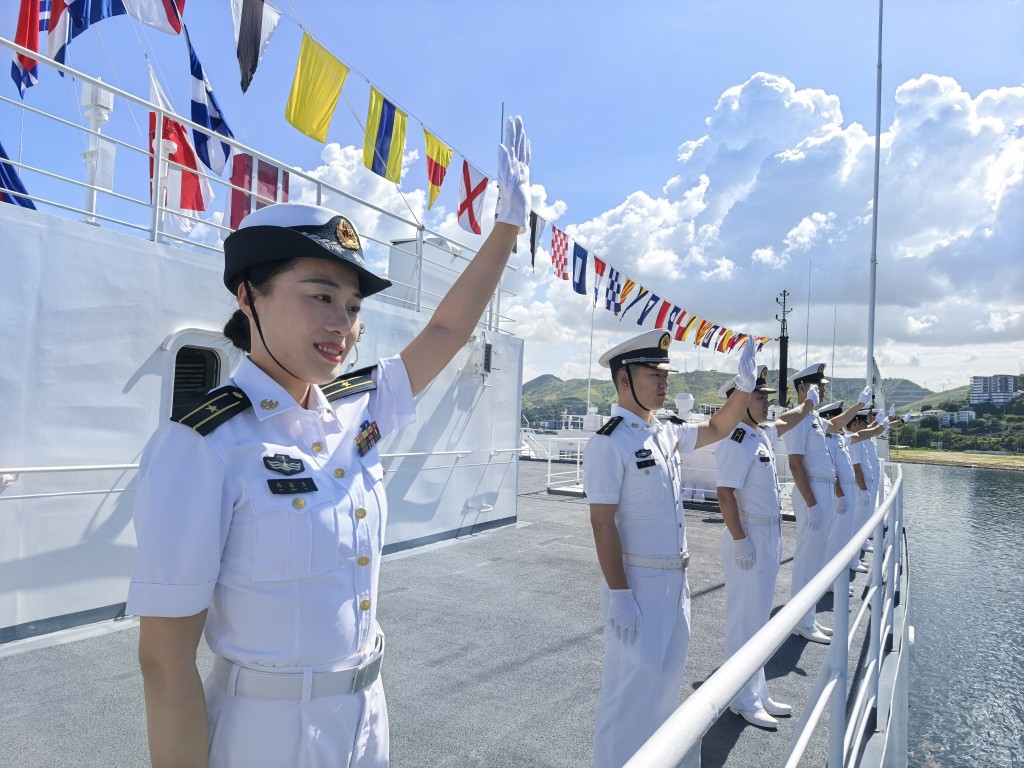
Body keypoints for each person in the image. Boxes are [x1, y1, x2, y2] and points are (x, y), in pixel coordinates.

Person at [126, 117, 531, 767]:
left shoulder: (355, 409)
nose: (342, 324)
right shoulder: (202, 444)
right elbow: (164, 661)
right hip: (267, 734)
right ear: (248, 297)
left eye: (353, 308)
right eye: (320, 297)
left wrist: (506, 229)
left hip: (366, 718)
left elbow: (447, 330)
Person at [583, 330, 756, 768]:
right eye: (653, 374)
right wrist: (619, 594)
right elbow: (602, 522)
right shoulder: (609, 442)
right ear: (624, 379)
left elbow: (718, 427)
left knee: (664, 687)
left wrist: (744, 388)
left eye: (665, 375)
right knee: (629, 693)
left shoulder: (666, 433)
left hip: (676, 581)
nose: (664, 383)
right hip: (637, 583)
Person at [714, 367, 815, 729]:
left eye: (767, 398)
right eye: (759, 397)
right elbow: (725, 493)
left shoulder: (760, 433)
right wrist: (740, 540)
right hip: (750, 536)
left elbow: (786, 421)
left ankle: (756, 690)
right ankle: (741, 698)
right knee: (745, 621)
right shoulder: (736, 439)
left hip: (769, 535)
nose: (767, 403)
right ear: (739, 401)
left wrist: (807, 405)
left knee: (758, 621)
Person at [783, 364, 871, 644]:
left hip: (823, 491)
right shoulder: (797, 419)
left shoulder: (813, 419)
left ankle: (807, 616)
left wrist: (859, 406)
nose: (822, 389)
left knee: (817, 558)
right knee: (808, 558)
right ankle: (800, 620)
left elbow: (836, 424)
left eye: (821, 386)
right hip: (812, 491)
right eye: (817, 385)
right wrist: (811, 504)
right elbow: (795, 464)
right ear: (801, 387)